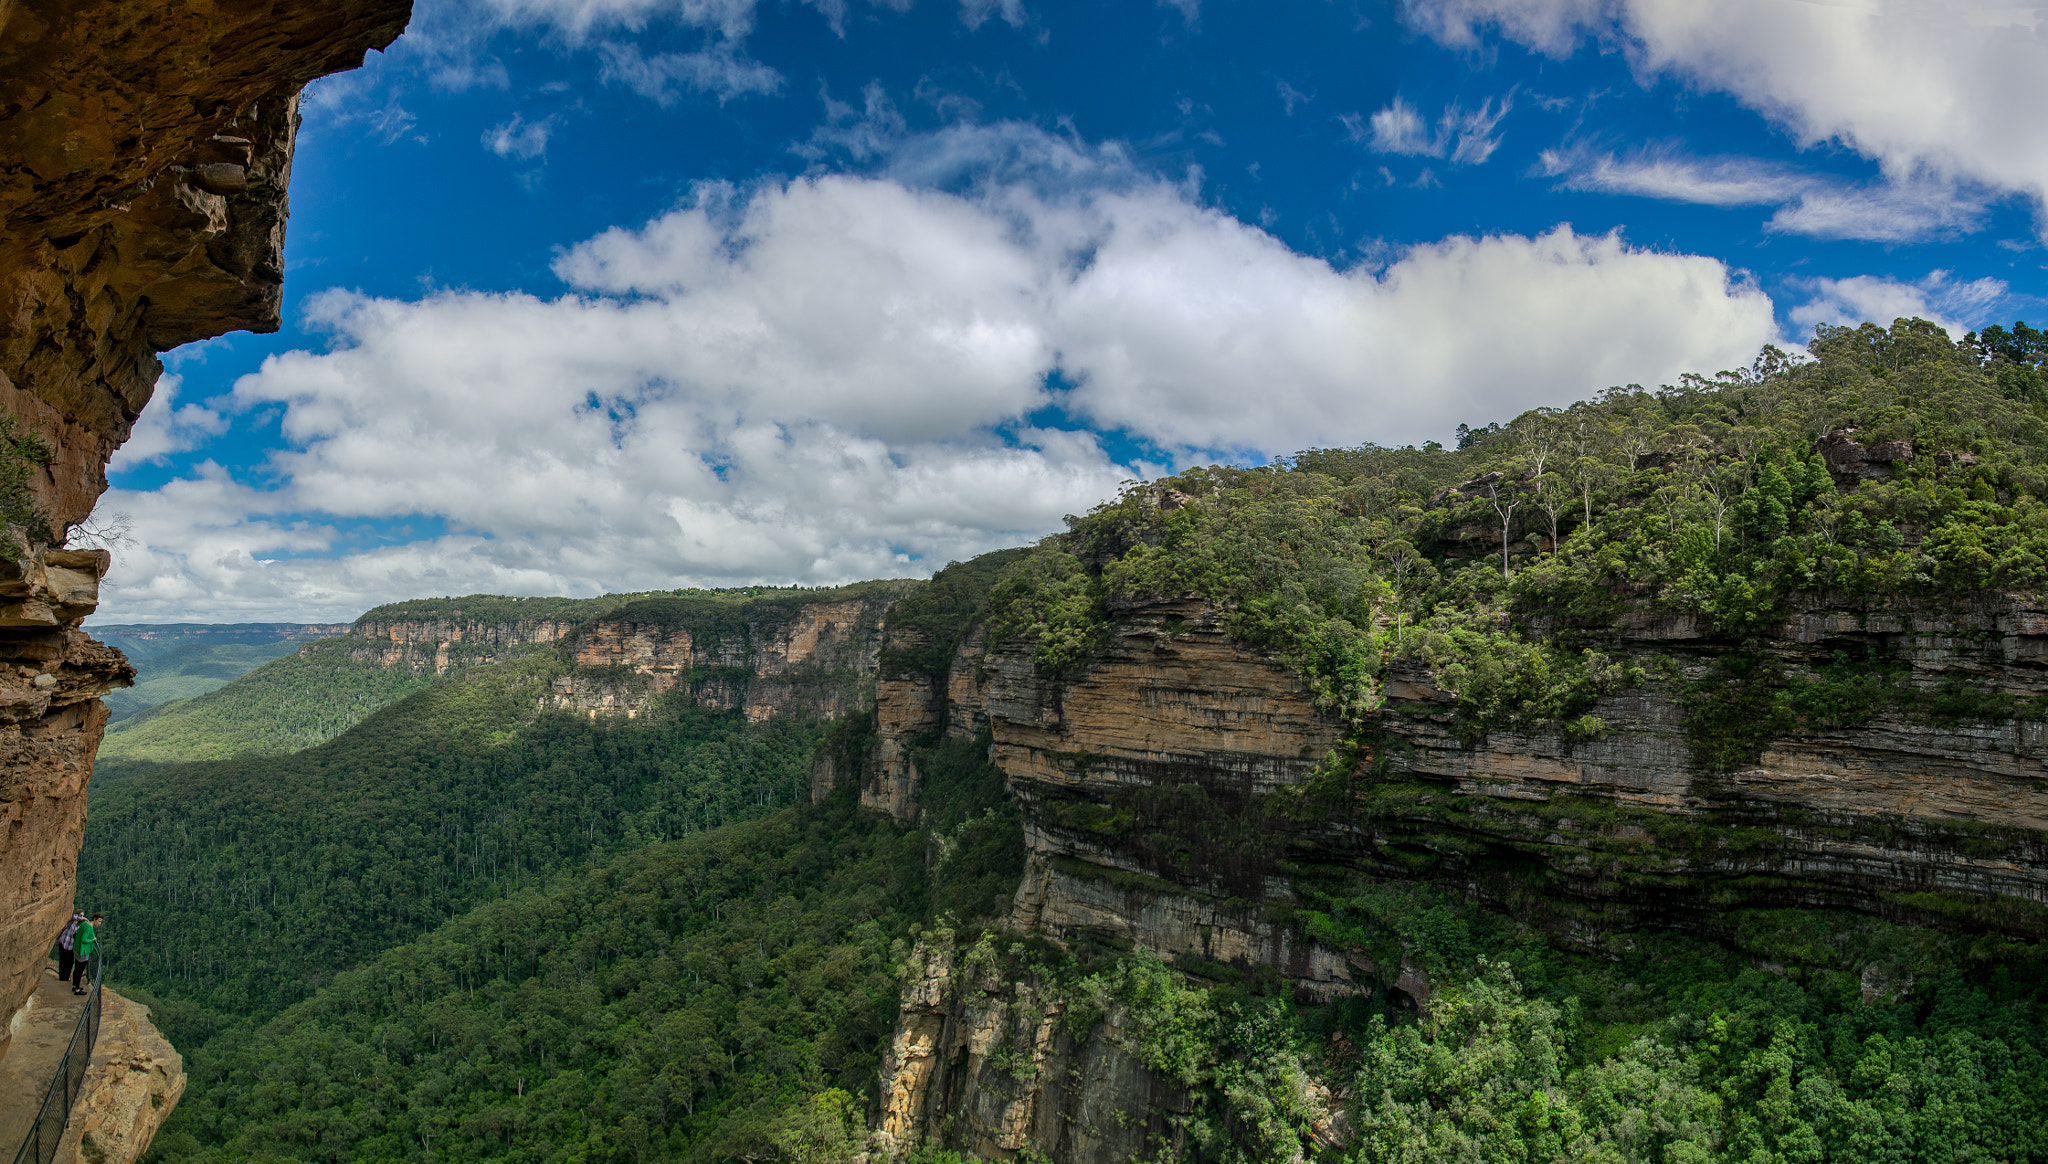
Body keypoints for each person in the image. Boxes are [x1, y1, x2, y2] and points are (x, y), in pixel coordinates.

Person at [69, 913, 98, 994]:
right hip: (82, 951)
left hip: (76, 948)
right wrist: (92, 940)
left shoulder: (85, 923)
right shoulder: (89, 927)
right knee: (80, 970)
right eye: (99, 921)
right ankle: (77, 990)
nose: (99, 924)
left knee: (77, 969)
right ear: (94, 919)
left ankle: (75, 986)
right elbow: (84, 939)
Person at [53, 910, 83, 984]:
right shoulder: (71, 922)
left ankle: (67, 977)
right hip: (64, 942)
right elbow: (73, 916)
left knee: (70, 962)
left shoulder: (79, 926)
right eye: (80, 915)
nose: (81, 917)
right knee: (63, 960)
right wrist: (82, 918)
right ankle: (62, 977)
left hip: (71, 945)